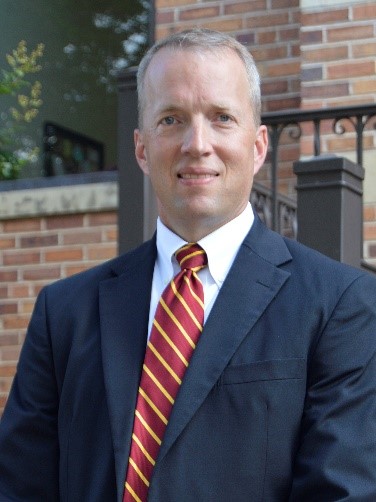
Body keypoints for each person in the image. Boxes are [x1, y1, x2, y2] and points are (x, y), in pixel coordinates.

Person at [0, 28, 376, 502]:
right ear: (141, 148)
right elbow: (19, 487)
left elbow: (342, 492)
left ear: (258, 146)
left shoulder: (339, 306)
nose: (197, 144)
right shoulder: (64, 313)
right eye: (172, 119)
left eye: (221, 117)